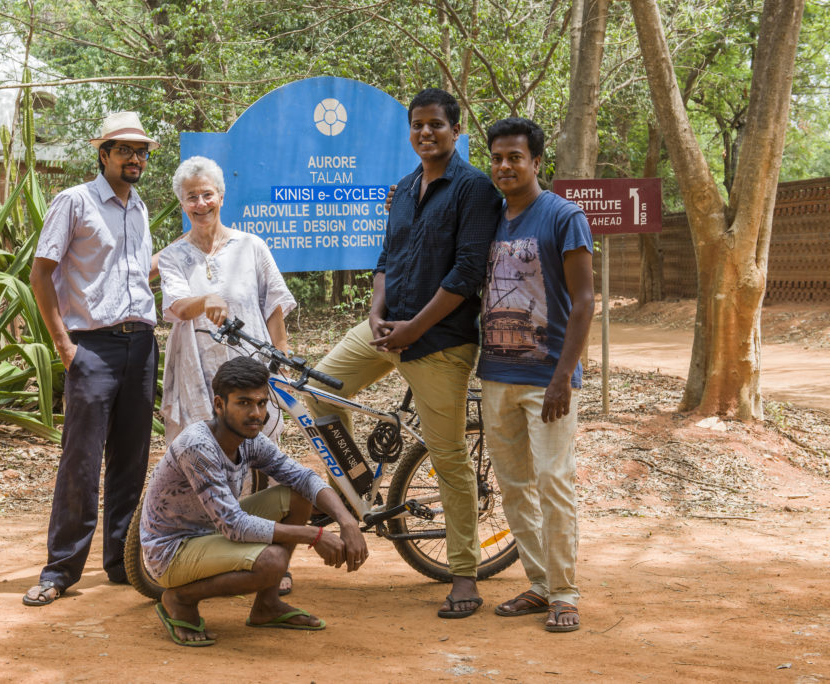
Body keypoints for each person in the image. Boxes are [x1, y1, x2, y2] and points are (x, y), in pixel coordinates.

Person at [306, 88, 501, 619]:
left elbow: (467, 272)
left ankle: (464, 573)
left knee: (449, 459)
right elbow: (385, 259)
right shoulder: (404, 187)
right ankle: (355, 488)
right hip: (386, 329)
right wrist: (376, 316)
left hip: (439, 342)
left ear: (454, 131)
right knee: (316, 391)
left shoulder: (474, 189)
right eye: (417, 124)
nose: (425, 133)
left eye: (436, 124)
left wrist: (414, 327)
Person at [23, 112, 161, 607]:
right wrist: (65, 347)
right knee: (80, 461)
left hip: (141, 343)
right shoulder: (74, 201)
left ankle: (121, 563)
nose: (135, 159)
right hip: (92, 346)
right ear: (102, 154)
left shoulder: (139, 208)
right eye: (124, 150)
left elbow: (137, 273)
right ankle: (60, 570)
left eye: (141, 151)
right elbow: (41, 274)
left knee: (131, 458)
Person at [140, 356, 367, 647]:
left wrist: (347, 521)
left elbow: (304, 478)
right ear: (219, 405)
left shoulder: (249, 439)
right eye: (244, 403)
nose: (256, 413)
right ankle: (180, 599)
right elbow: (234, 526)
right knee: (272, 562)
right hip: (173, 552)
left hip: (212, 531)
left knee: (297, 495)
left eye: (261, 403)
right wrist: (316, 535)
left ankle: (267, 606)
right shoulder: (198, 445)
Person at [478, 117, 594, 632]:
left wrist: (563, 376)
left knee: (553, 481)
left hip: (548, 378)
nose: (505, 166)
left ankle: (565, 593)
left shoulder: (563, 216)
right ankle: (539, 583)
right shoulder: (490, 219)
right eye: (498, 158)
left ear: (537, 162)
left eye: (515, 158)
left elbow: (586, 300)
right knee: (514, 487)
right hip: (497, 374)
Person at [158, 156, 295, 446]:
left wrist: (280, 361)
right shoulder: (172, 256)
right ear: (182, 204)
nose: (201, 203)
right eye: (191, 197)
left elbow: (274, 307)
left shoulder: (251, 246)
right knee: (204, 454)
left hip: (251, 367)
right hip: (195, 373)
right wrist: (205, 300)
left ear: (221, 196)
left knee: (258, 454)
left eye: (207, 194)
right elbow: (179, 307)